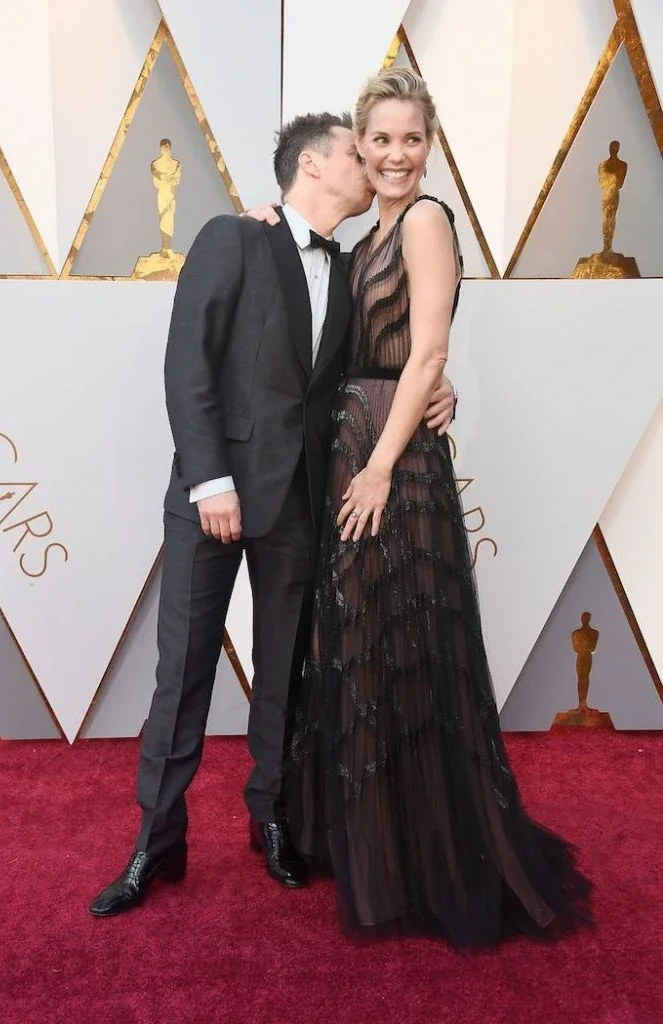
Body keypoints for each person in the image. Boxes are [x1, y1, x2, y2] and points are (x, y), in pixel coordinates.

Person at [89, 111, 456, 917]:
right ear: (313, 166)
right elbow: (188, 363)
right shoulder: (234, 238)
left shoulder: (352, 265)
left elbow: (381, 355)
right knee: (182, 672)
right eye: (358, 153)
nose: (374, 166)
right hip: (214, 497)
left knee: (284, 671)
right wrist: (209, 480)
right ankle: (156, 839)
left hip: (301, 499)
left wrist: (438, 383)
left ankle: (273, 819)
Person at [285, 68, 593, 948]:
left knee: (408, 643)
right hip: (357, 449)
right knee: (364, 642)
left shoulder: (424, 220)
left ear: (431, 145)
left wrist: (381, 467)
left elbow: (425, 355)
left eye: (410, 139)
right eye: (380, 139)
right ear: (358, 145)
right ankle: (380, 841)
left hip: (394, 462)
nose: (395, 154)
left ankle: (426, 854)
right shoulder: (366, 231)